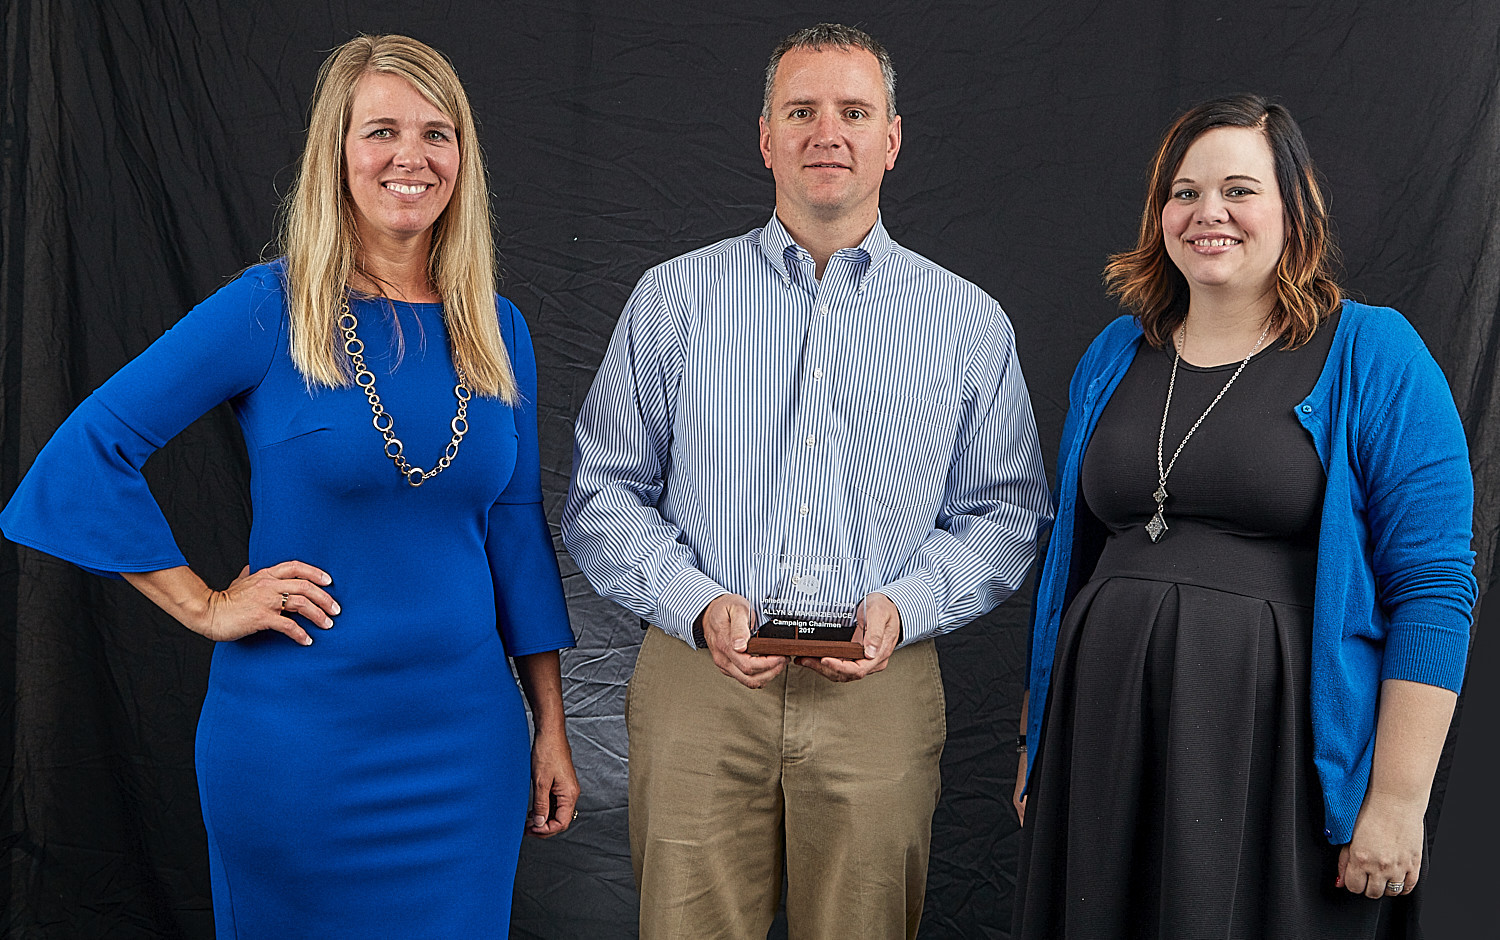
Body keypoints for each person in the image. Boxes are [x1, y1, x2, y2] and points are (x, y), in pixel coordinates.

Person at [0, 34, 578, 938]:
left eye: (437, 132)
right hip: (298, 750)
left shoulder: (496, 327)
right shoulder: (268, 309)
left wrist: (550, 721)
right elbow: (87, 453)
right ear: (336, 154)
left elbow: (513, 527)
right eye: (380, 130)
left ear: (463, 158)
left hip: (468, 751)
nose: (410, 157)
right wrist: (203, 605)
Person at [561, 22, 1052, 940]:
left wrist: (904, 606)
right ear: (765, 138)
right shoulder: (674, 299)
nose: (827, 133)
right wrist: (696, 603)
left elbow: (1009, 512)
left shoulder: (966, 322)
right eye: (802, 111)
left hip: (881, 687)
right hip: (699, 682)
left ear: (892, 139)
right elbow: (603, 494)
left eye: (853, 112)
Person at [1012, 93, 1476, 938]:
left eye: (1238, 189)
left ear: (1294, 210)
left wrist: (1399, 801)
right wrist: (1036, 738)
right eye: (1183, 193)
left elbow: (1436, 590)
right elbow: (1065, 570)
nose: (1207, 213)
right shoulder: (1116, 353)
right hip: (1104, 745)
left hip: (1274, 762)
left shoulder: (1374, 353)